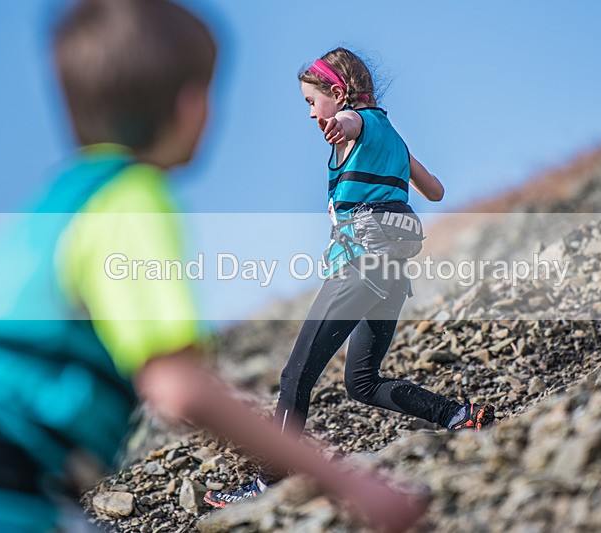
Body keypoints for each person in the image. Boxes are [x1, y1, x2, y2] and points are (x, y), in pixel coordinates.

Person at [0, 3, 427, 532]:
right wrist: (349, 484)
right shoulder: (134, 197)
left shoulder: (54, 202)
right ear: (191, 105)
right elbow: (176, 386)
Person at [205, 47, 496, 508]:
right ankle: (457, 415)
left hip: (360, 268)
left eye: (311, 101)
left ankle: (268, 482)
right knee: (361, 381)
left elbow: (352, 123)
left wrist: (341, 125)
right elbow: (435, 190)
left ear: (337, 94)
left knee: (295, 374)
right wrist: (395, 160)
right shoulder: (394, 139)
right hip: (392, 274)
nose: (310, 112)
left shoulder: (357, 123)